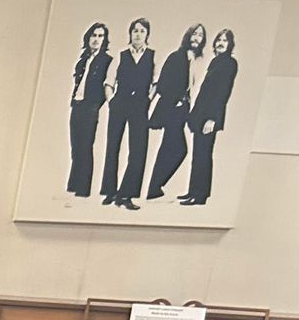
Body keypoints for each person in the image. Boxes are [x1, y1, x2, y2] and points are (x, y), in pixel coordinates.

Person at [147, 22, 208, 200]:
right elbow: (163, 83)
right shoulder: (176, 56)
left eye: (200, 35)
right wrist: (176, 101)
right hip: (172, 108)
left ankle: (154, 187)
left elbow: (195, 87)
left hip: (184, 110)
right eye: (194, 34)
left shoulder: (198, 61)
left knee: (168, 146)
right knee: (179, 149)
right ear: (188, 36)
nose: (196, 38)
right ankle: (154, 186)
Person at [101, 18, 153, 208]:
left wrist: (147, 100)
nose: (138, 34)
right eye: (135, 31)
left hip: (139, 105)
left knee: (138, 149)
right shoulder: (120, 56)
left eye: (142, 31)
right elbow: (109, 82)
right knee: (112, 146)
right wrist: (112, 101)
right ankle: (110, 192)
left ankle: (127, 195)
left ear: (147, 34)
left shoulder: (153, 56)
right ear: (130, 34)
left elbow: (155, 84)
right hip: (120, 103)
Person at [183, 29, 238, 205]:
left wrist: (212, 119)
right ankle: (193, 191)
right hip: (201, 115)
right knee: (197, 154)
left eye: (225, 40)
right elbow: (205, 92)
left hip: (209, 117)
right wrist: (194, 116)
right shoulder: (216, 61)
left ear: (230, 45)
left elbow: (223, 93)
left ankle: (200, 195)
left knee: (204, 155)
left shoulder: (229, 63)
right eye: (219, 40)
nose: (221, 43)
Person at [66, 22, 111, 198]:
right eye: (94, 35)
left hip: (89, 107)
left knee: (85, 146)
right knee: (75, 146)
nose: (96, 39)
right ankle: (73, 185)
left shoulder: (106, 60)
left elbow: (107, 85)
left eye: (100, 36)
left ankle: (83, 189)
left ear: (104, 40)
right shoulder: (83, 59)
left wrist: (95, 105)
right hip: (77, 104)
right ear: (88, 37)